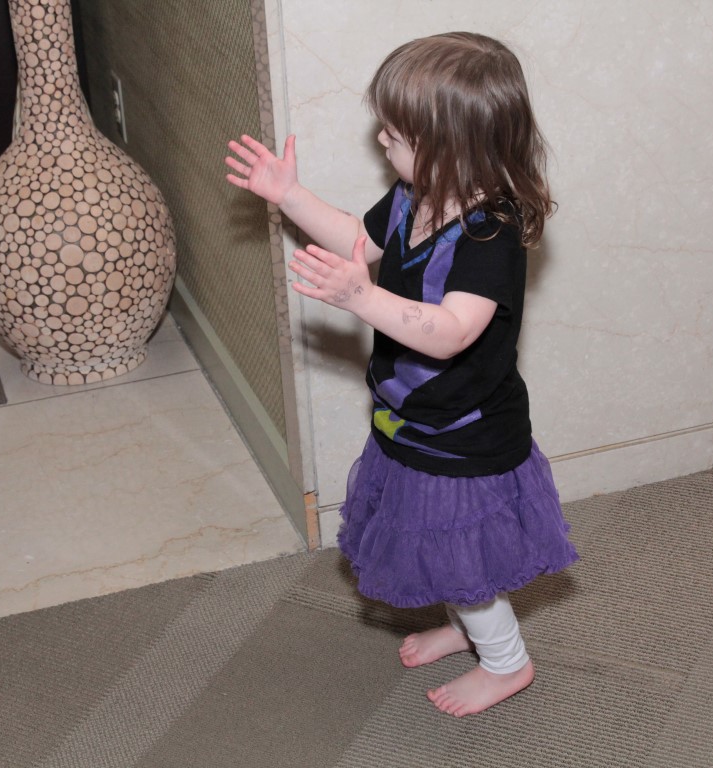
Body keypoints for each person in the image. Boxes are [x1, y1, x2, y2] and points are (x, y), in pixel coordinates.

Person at [224, 31, 578, 718]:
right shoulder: (415, 196)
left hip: (464, 434)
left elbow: (451, 333)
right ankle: (463, 625)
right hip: (412, 418)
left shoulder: (489, 235)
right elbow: (361, 242)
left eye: (395, 135)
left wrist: (363, 299)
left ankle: (506, 662)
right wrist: (289, 197)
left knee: (464, 558)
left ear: (454, 149)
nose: (382, 140)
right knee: (433, 540)